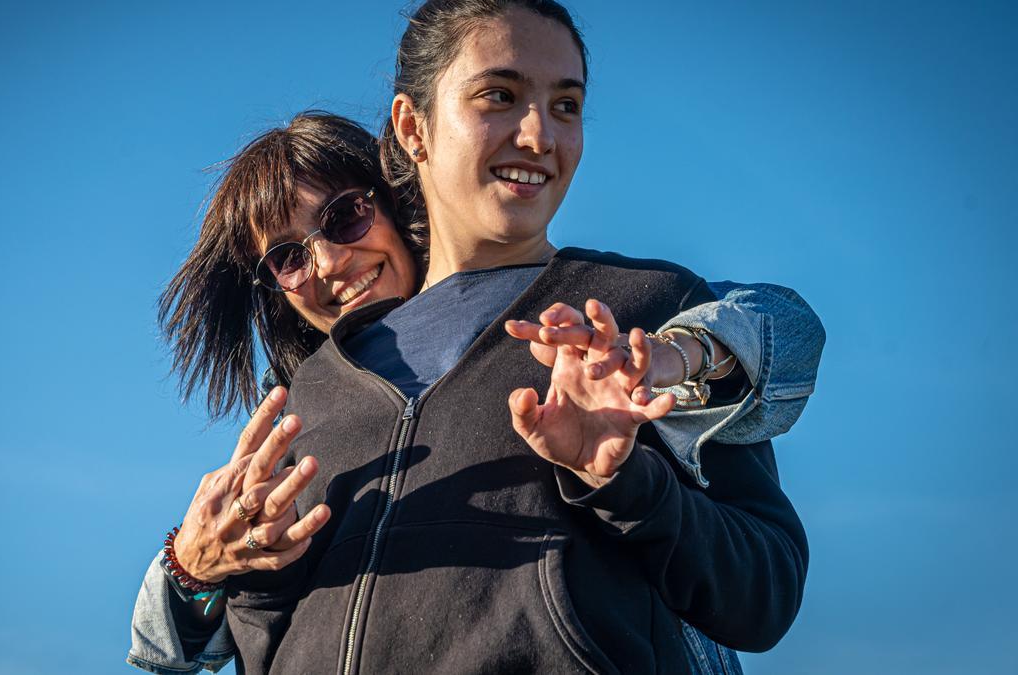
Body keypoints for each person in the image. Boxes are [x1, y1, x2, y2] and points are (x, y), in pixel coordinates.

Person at [129, 3, 820, 671]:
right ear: (413, 127)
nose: (538, 135)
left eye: (567, 105)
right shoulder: (305, 404)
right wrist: (200, 569)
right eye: (499, 95)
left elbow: (763, 592)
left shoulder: (633, 313)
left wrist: (621, 475)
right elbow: (235, 641)